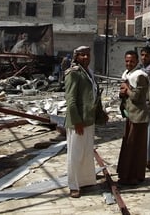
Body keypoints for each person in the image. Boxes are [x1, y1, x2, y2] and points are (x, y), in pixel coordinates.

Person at [64, 46, 99, 198]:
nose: (85, 57)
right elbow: (71, 100)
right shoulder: (74, 74)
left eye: (87, 55)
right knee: (75, 154)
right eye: (82, 55)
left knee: (86, 152)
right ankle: (74, 185)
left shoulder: (89, 73)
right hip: (78, 121)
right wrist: (77, 121)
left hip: (88, 119)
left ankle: (85, 181)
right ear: (76, 57)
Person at [117, 50, 150, 186]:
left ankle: (135, 176)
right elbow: (125, 94)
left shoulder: (140, 76)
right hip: (130, 115)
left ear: (137, 62)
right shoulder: (127, 74)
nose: (129, 64)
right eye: (127, 61)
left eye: (131, 61)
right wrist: (122, 92)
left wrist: (127, 89)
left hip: (139, 117)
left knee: (136, 147)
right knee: (128, 146)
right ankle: (126, 174)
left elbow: (138, 97)